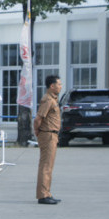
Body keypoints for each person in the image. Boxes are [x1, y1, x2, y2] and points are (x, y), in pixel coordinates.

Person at [34, 75, 62, 205]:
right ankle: (43, 195)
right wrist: (37, 132)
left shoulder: (53, 99)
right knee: (46, 166)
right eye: (59, 84)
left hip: (52, 135)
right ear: (52, 86)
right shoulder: (48, 100)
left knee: (49, 166)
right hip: (48, 135)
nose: (60, 86)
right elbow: (38, 118)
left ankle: (47, 192)